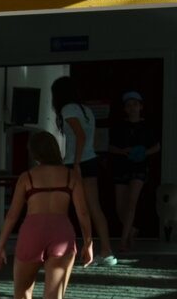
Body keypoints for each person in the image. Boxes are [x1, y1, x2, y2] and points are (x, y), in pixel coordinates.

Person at [0, 131, 93, 299]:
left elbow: (12, 215)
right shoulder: (71, 176)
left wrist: (0, 246)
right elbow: (82, 212)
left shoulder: (27, 177)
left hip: (31, 233)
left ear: (34, 153)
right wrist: (88, 242)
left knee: (22, 291)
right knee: (53, 298)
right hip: (61, 234)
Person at [50, 76, 115, 266]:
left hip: (76, 163)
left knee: (68, 206)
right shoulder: (86, 109)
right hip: (89, 159)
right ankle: (106, 251)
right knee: (93, 207)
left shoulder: (67, 109)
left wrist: (76, 163)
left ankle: (72, 248)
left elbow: (80, 136)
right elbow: (87, 137)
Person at [107, 90, 161, 253]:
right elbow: (110, 147)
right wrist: (123, 151)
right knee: (119, 206)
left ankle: (123, 241)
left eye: (135, 104)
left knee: (131, 202)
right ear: (125, 108)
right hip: (121, 166)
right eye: (129, 105)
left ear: (141, 107)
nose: (132, 108)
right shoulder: (119, 126)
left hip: (139, 167)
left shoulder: (147, 126)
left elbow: (156, 146)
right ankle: (131, 230)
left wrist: (143, 153)